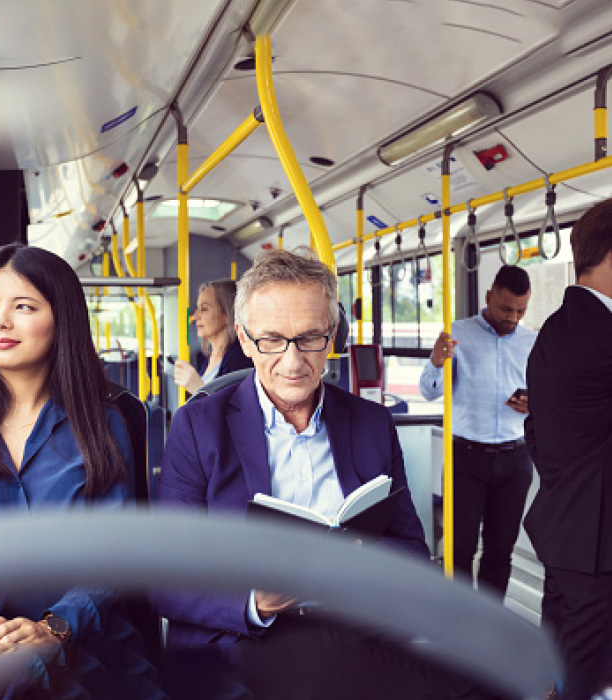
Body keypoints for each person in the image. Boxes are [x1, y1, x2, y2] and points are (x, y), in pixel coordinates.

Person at [156, 248, 429, 700]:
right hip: (245, 637)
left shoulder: (371, 424)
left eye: (309, 339)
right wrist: (255, 601)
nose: (292, 361)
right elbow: (164, 579)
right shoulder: (199, 426)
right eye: (272, 340)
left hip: (352, 624)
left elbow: (414, 555)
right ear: (244, 339)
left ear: (332, 335)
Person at [0, 244, 166, 699]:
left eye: (23, 306)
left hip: (78, 639)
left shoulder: (104, 423)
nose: (0, 322)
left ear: (61, 320)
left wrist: (56, 627)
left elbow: (112, 554)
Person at [525, 198, 612, 700]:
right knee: (584, 675)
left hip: (566, 528)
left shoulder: (557, 329)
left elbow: (536, 430)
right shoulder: (603, 335)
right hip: (596, 543)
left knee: (556, 664)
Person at [419, 265, 536, 600]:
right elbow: (429, 391)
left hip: (516, 459)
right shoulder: (456, 334)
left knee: (500, 551)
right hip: (465, 459)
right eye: (506, 309)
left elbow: (547, 396)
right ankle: (459, 624)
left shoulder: (533, 342)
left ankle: (491, 625)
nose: (513, 317)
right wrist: (436, 362)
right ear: (488, 297)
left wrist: (533, 404)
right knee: (460, 549)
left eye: (520, 310)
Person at [173, 279, 253, 394]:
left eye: (204, 309)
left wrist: (197, 388)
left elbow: (235, 408)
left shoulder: (241, 359)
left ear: (227, 314)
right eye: (197, 309)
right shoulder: (208, 357)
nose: (195, 316)